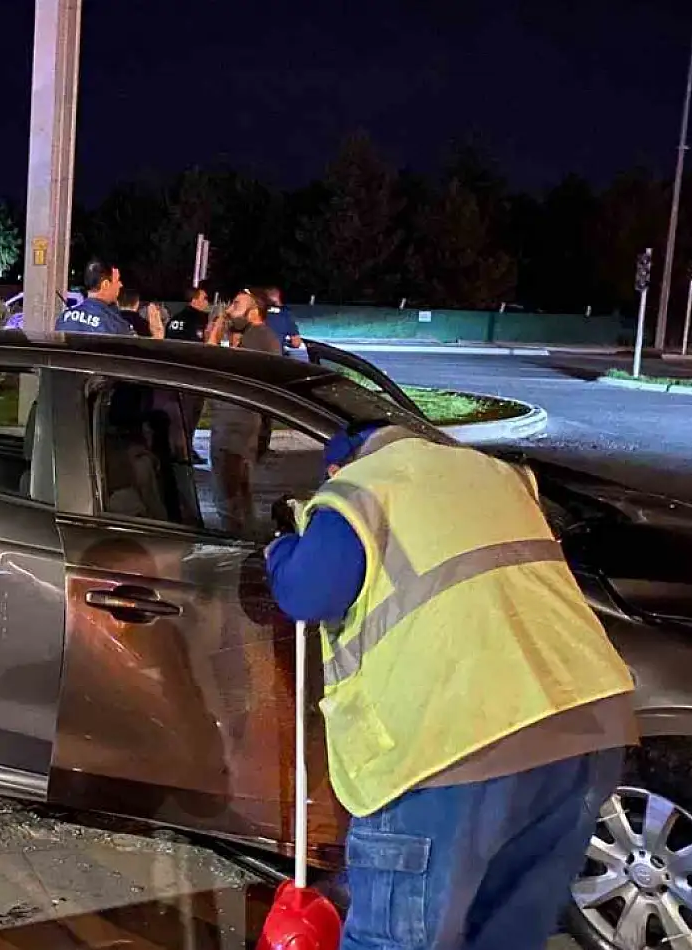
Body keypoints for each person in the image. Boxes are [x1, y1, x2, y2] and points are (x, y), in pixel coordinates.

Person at [262, 423, 637, 949]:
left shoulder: (361, 488)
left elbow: (306, 592)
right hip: (585, 728)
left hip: (453, 746)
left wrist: (280, 550)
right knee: (505, 933)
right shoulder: (497, 476)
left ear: (337, 466)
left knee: (397, 939)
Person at [204, 290, 280, 533]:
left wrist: (216, 327)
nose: (229, 310)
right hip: (238, 427)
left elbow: (210, 359)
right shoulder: (257, 337)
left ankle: (236, 549)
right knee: (239, 497)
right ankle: (246, 543)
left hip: (234, 430)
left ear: (253, 312)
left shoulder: (260, 339)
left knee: (228, 499)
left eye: (235, 305)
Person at [55, 260, 136, 335]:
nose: (120, 285)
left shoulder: (64, 318)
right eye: (117, 280)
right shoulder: (115, 325)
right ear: (105, 285)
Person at [259, 286, 303, 355]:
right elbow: (296, 343)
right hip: (275, 355)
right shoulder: (286, 314)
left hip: (256, 354)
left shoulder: (258, 310)